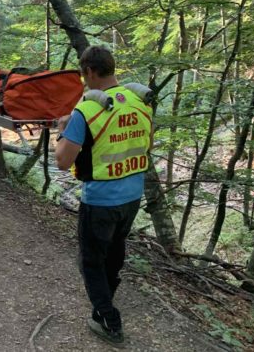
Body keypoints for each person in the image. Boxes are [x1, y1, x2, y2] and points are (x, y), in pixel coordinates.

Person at [55, 46, 153, 347]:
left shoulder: (86, 111)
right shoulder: (139, 102)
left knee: (90, 261)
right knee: (114, 252)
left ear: (90, 72)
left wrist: (62, 130)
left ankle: (109, 319)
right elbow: (146, 144)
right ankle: (102, 309)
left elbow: (62, 161)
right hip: (132, 196)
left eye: (83, 74)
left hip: (100, 200)